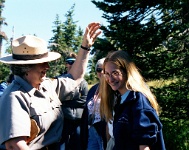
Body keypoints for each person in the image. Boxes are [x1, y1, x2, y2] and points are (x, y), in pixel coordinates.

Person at [0, 22, 101, 150]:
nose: (47, 67)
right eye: (42, 63)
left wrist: (85, 47)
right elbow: (14, 145)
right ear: (26, 68)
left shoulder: (47, 86)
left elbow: (75, 78)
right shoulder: (14, 97)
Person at [100, 50, 166, 150]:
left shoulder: (138, 102)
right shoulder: (120, 101)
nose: (110, 79)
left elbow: (145, 146)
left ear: (127, 71)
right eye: (107, 74)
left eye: (115, 73)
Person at [59, 52, 88, 150]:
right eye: (69, 62)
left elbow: (84, 99)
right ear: (66, 64)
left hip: (78, 121)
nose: (71, 65)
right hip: (63, 120)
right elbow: (55, 98)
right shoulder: (60, 79)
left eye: (73, 62)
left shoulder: (83, 81)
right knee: (61, 145)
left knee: (78, 145)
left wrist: (65, 100)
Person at [80, 58, 107, 150]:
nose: (102, 72)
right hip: (92, 129)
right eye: (99, 70)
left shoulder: (113, 88)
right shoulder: (93, 89)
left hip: (105, 130)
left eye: (105, 69)